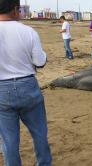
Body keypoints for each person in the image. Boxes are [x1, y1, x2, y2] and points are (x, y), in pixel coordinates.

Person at [0, 0, 52, 165]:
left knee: (9, 140)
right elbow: (40, 61)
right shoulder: (28, 31)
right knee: (39, 133)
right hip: (27, 85)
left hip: (1, 89)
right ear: (15, 9)